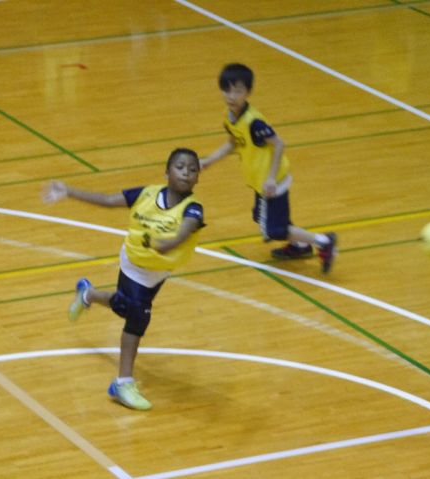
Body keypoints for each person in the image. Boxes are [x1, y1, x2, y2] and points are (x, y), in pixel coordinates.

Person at [42, 148, 205, 410]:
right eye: (180, 167)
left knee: (124, 305)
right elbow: (108, 200)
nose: (186, 172)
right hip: (134, 263)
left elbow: (182, 234)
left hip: (159, 270)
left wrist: (164, 244)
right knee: (138, 315)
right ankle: (122, 383)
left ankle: (88, 294)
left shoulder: (193, 209)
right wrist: (69, 191)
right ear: (166, 172)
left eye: (193, 169)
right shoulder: (146, 194)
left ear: (198, 177)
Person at [200, 63, 337, 273]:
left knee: (274, 230)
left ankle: (324, 241)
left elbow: (279, 144)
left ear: (248, 92)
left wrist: (271, 178)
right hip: (260, 181)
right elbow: (233, 143)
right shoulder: (230, 117)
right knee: (263, 217)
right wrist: (209, 161)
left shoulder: (254, 122)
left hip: (273, 181)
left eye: (238, 91)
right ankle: (300, 246)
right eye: (227, 90)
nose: (231, 96)